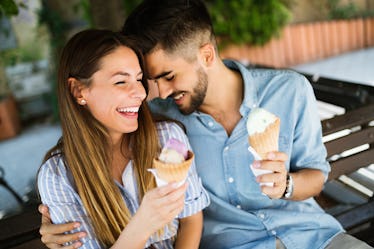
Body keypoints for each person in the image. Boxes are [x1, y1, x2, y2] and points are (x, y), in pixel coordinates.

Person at [38, 1, 374, 249]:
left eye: (168, 76)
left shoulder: (289, 90)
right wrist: (56, 225)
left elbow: (316, 177)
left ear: (207, 56)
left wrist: (286, 184)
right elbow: (99, 127)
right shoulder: (168, 127)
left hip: (314, 237)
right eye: (154, 80)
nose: (160, 92)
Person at [37, 28, 209, 249]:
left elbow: (191, 220)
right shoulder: (57, 176)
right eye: (120, 82)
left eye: (139, 80)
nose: (140, 93)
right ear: (79, 90)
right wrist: (143, 224)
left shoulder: (167, 139)